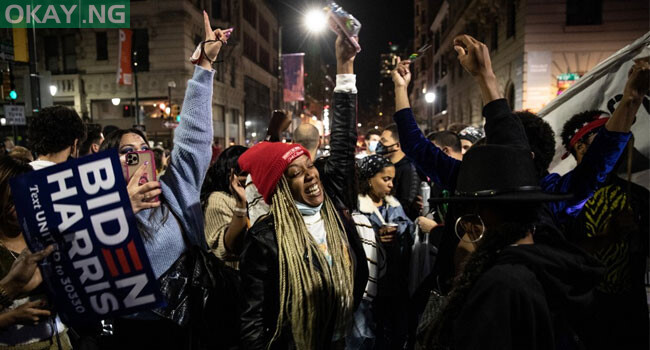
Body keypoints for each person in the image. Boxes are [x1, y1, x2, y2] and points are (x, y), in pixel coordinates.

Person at [97, 12, 225, 348]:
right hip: (130, 335)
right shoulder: (97, 211)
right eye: (128, 153)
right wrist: (123, 209)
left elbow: (193, 138)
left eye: (144, 148)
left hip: (186, 328)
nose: (140, 156)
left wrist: (204, 69)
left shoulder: (174, 190)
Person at [418, 144, 603, 349]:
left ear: (479, 215)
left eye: (466, 209)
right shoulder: (551, 266)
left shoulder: (500, 283)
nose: (464, 223)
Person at [238, 143, 354, 350]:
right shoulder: (264, 238)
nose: (310, 175)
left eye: (310, 165)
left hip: (338, 341)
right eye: (296, 173)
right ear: (281, 188)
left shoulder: (337, 220)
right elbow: (252, 320)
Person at [561, 113, 650, 349]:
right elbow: (559, 256)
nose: (618, 138)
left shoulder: (639, 197)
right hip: (580, 322)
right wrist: (607, 238)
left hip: (631, 320)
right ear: (580, 145)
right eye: (606, 133)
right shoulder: (561, 198)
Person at [0, 156, 69, 348]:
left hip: (59, 340)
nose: (22, 207)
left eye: (28, 197)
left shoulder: (45, 236)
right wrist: (12, 317)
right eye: (12, 200)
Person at [356, 155, 415, 349]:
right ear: (369, 179)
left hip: (397, 281)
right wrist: (375, 237)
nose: (390, 184)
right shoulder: (358, 210)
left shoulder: (395, 205)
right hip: (372, 286)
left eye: (392, 179)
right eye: (385, 179)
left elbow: (410, 235)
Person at [200, 146, 248, 269]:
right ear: (232, 175)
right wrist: (240, 206)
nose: (251, 177)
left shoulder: (252, 194)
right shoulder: (218, 199)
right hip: (235, 280)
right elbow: (227, 249)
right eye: (246, 173)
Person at [378, 124, 420, 220]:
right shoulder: (386, 166)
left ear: (397, 145)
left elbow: (405, 204)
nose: (379, 144)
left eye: (384, 141)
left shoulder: (409, 169)